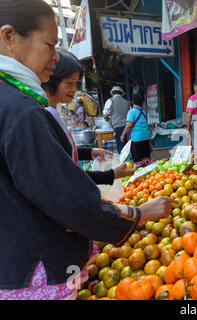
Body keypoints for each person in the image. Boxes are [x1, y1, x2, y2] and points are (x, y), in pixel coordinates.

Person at [0, 0, 177, 300]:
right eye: (49, 45)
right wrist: (137, 214)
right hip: (35, 268)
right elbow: (66, 198)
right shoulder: (21, 110)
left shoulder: (11, 100)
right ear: (9, 37)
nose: (55, 57)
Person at [42, 49, 134, 185]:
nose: (74, 89)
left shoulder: (52, 112)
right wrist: (111, 175)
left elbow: (62, 152)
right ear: (50, 79)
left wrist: (89, 152)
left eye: (76, 83)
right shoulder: (42, 116)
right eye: (69, 83)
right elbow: (62, 174)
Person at [121, 86, 152, 163]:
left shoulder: (132, 111)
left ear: (132, 101)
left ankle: (140, 173)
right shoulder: (143, 111)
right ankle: (149, 173)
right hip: (146, 137)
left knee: (138, 160)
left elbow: (129, 125)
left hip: (137, 139)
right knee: (146, 158)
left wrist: (123, 135)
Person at [103, 85, 131, 154]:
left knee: (120, 146)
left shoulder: (110, 101)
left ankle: (123, 162)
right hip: (128, 127)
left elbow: (105, 115)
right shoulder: (127, 102)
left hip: (117, 126)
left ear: (112, 93)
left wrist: (108, 118)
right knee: (128, 146)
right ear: (121, 93)